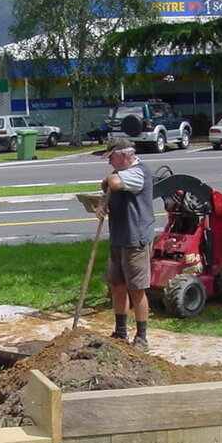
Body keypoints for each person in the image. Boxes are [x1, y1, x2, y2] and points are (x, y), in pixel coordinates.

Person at [97, 138, 155, 352]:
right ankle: (120, 331)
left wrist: (108, 181)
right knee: (116, 285)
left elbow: (113, 183)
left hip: (136, 239)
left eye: (111, 157)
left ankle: (141, 337)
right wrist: (102, 204)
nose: (109, 162)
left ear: (123, 155)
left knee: (137, 289)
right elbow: (109, 190)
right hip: (119, 237)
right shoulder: (122, 174)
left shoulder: (139, 172)